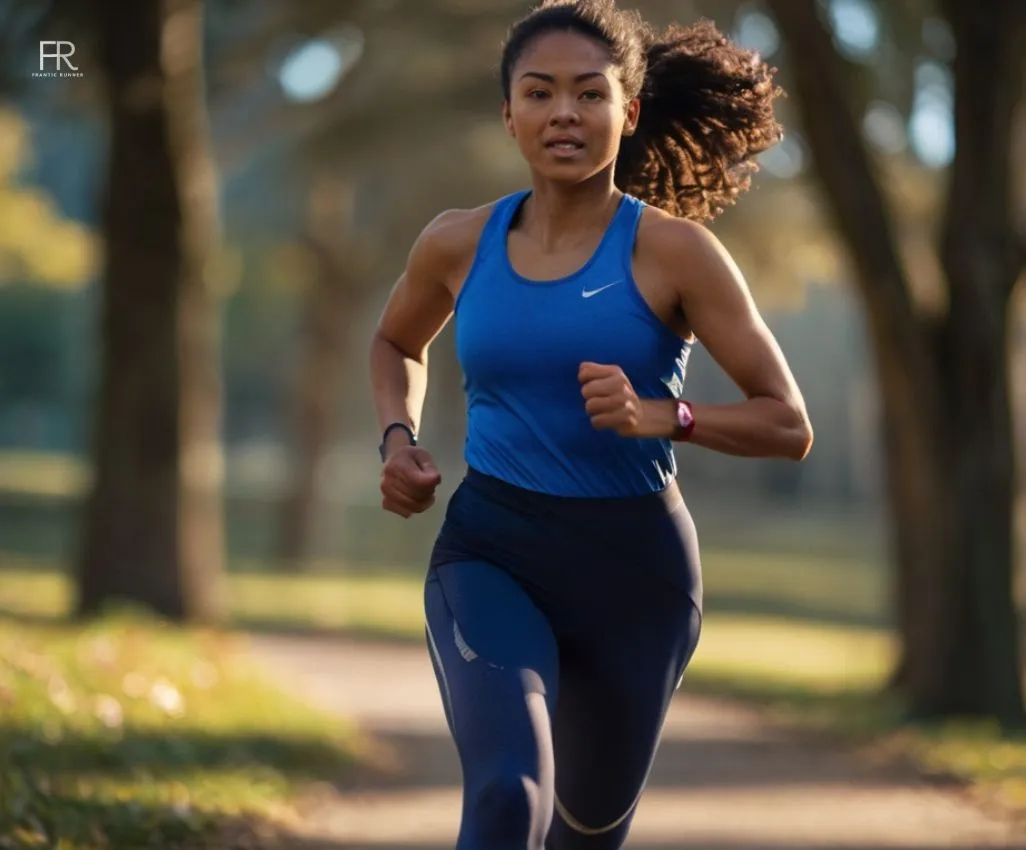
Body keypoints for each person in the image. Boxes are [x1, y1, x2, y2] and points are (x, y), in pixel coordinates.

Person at [369, 1, 813, 847]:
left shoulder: (675, 253)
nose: (563, 114)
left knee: (586, 830)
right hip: (492, 550)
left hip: (636, 578)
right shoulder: (457, 242)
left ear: (628, 111)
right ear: (509, 113)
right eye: (539, 94)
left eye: (588, 94)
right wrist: (399, 438)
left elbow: (788, 423)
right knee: (508, 794)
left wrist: (666, 415)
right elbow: (396, 341)